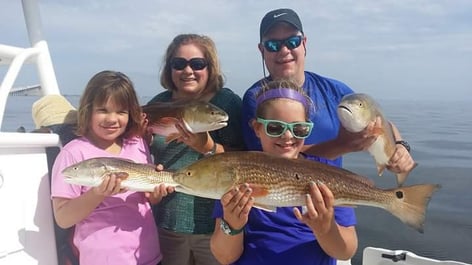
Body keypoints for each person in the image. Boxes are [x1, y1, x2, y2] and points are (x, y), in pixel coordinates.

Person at [241, 8, 416, 173]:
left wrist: (400, 147)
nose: (284, 50)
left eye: (292, 42)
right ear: (261, 50)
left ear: (304, 44)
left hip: (334, 194)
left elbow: (381, 120)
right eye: (273, 45)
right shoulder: (255, 98)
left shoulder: (336, 91)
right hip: (282, 197)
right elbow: (273, 161)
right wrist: (342, 145)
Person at [210, 79, 358, 265]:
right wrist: (232, 225)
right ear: (257, 128)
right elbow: (224, 257)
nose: (287, 136)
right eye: (275, 127)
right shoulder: (238, 174)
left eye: (299, 129)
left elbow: (346, 251)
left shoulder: (327, 175)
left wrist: (326, 229)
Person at [50, 70, 172, 265]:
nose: (112, 119)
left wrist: (155, 195)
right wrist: (98, 193)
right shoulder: (73, 154)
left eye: (121, 112)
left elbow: (145, 198)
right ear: (87, 110)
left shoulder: (137, 143)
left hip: (147, 254)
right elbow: (63, 218)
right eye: (103, 110)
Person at [148, 34, 244, 265]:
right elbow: (140, 153)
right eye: (179, 64)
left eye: (197, 64)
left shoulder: (228, 104)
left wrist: (209, 147)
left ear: (210, 67)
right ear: (169, 69)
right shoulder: (156, 105)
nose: (187, 70)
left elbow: (248, 159)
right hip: (166, 222)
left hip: (215, 226)